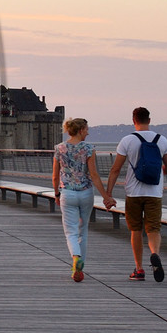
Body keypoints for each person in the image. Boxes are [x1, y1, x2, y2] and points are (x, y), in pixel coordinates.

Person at [104, 106, 167, 281]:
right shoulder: (162, 140)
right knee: (153, 229)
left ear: (134, 120)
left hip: (133, 193)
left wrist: (108, 194)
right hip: (154, 192)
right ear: (149, 120)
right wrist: (156, 169)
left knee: (136, 230)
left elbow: (115, 169)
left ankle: (139, 269)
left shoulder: (127, 140)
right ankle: (155, 254)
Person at [51, 117, 114, 282]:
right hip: (85, 193)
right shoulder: (88, 148)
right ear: (80, 130)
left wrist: (57, 194)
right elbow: (94, 175)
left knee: (70, 231)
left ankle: (75, 259)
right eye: (86, 129)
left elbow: (55, 176)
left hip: (68, 193)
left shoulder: (59, 148)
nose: (88, 132)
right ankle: (80, 266)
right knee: (82, 230)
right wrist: (106, 196)